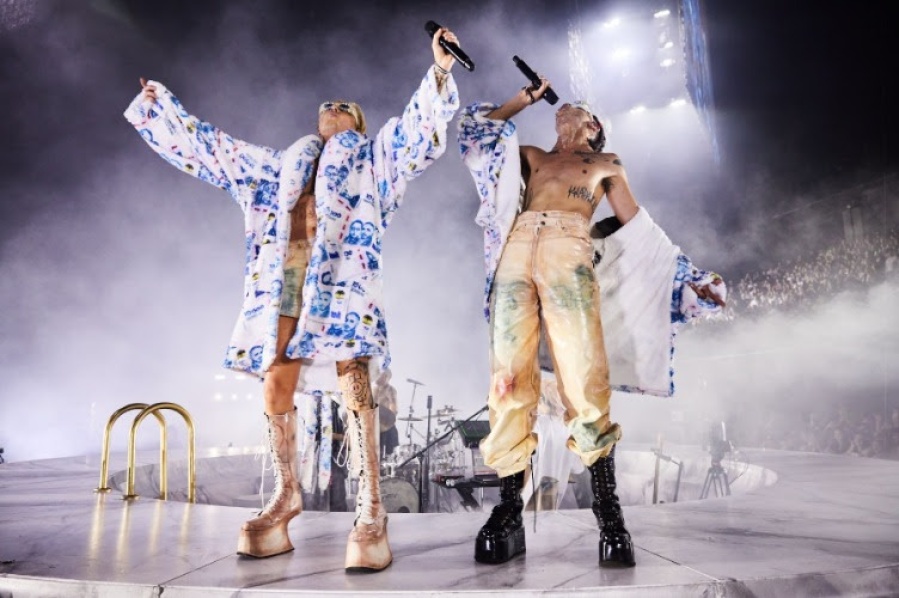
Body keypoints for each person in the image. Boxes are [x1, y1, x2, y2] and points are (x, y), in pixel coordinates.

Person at [124, 27, 461, 573]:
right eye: (327, 104)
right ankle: (287, 493)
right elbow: (217, 151)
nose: (332, 106)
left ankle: (372, 504)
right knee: (275, 380)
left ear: (358, 123)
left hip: (343, 285)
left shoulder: (373, 161)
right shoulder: (281, 167)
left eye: (345, 106)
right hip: (284, 282)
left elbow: (417, 133)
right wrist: (162, 109)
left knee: (354, 379)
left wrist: (439, 71)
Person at [457, 77, 725, 568]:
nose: (566, 109)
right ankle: (509, 511)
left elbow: (640, 231)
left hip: (569, 248)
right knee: (507, 380)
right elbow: (479, 134)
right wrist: (523, 99)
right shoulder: (533, 155)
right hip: (516, 248)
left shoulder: (607, 163)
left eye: (577, 109)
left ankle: (609, 515)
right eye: (563, 107)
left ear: (594, 126)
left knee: (583, 377)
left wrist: (689, 275)